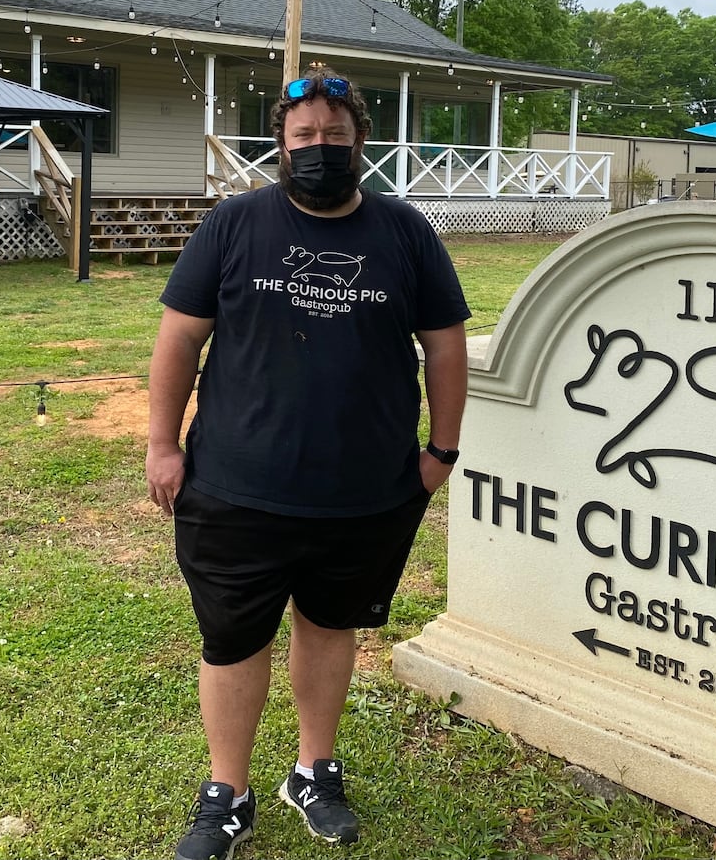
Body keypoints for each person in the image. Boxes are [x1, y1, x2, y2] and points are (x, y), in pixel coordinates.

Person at [147, 67, 471, 860]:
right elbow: (179, 338)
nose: (318, 149)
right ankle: (228, 791)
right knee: (232, 640)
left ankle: (312, 769)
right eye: (303, 138)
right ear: (281, 145)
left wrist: (442, 452)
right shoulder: (232, 225)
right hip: (233, 484)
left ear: (359, 139)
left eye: (334, 135)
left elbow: (445, 345)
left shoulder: (404, 232)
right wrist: (162, 443)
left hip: (365, 490)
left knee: (331, 629)